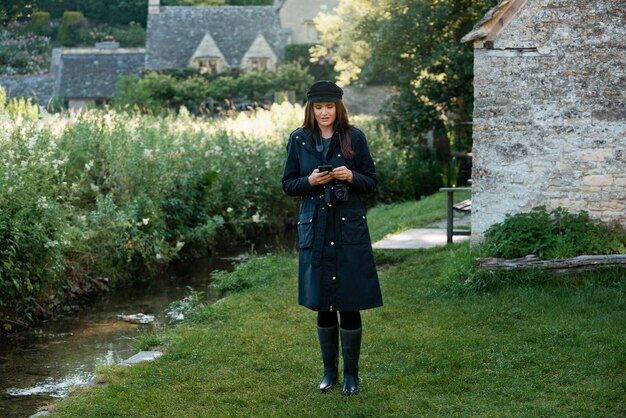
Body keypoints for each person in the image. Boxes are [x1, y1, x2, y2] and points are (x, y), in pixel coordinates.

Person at [282, 80, 383, 395]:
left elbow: (371, 181)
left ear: (338, 107)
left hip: (348, 228)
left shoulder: (355, 137)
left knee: (350, 303)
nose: (324, 112)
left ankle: (351, 377)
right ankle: (329, 374)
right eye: (318, 107)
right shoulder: (299, 140)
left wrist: (351, 176)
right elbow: (288, 184)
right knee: (324, 305)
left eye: (329, 106)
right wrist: (310, 180)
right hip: (317, 227)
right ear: (310, 109)